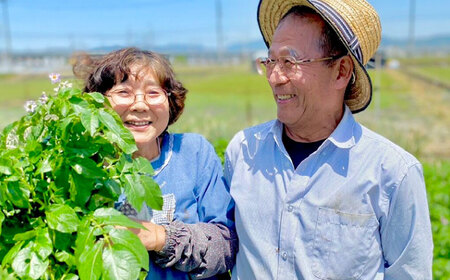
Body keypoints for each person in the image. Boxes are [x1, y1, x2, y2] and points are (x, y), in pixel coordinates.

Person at [224, 0, 433, 279]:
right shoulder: (243, 151)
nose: (274, 77)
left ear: (341, 71)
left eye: (290, 61)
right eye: (271, 61)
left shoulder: (392, 173)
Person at [73, 47, 237, 280]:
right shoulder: (86, 167)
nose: (140, 105)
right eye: (123, 92)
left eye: (153, 93)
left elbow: (226, 244)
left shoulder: (194, 153)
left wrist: (160, 238)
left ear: (170, 101)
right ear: (98, 104)